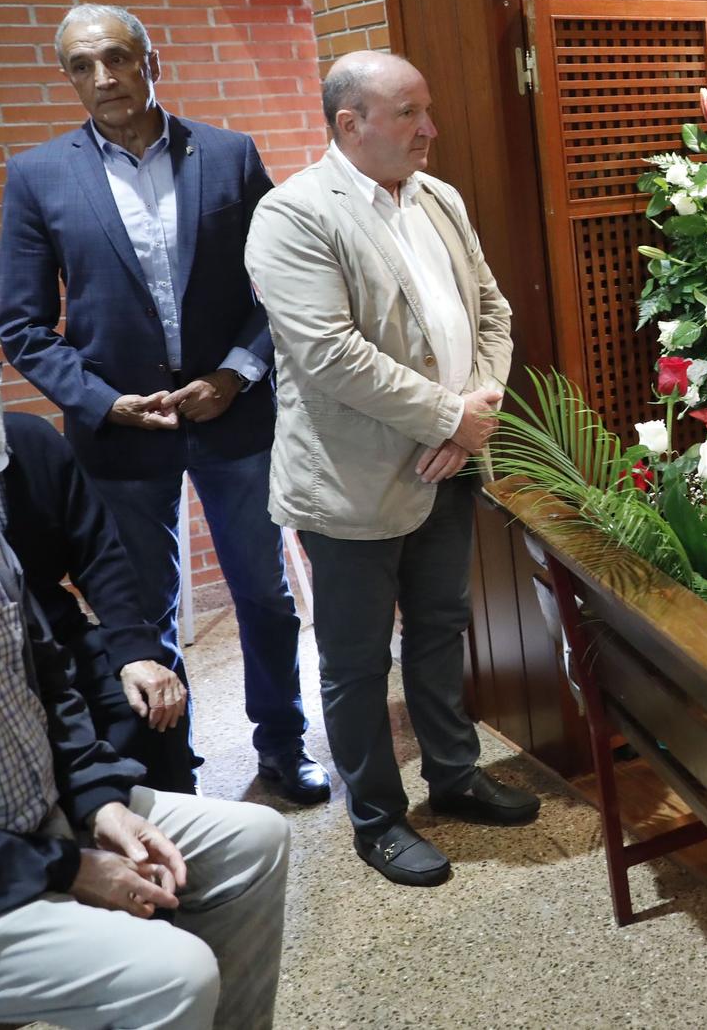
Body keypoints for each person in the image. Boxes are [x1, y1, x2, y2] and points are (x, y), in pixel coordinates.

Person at [0, 324, 290, 1029]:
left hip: (47, 819)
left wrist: (96, 800)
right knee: (172, 976)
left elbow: (47, 676)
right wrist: (66, 868)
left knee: (255, 838)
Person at [0, 3, 325, 803]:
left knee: (265, 592)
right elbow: (24, 325)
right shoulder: (39, 176)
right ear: (69, 77)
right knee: (143, 609)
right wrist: (105, 402)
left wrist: (236, 373)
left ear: (151, 60)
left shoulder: (228, 154)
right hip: (121, 433)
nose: (103, 77)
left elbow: (281, 285)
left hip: (234, 416)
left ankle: (282, 743)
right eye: (82, 65)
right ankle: (175, 770)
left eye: (116, 57)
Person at [245, 50, 533, 886]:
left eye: (426, 108)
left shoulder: (439, 197)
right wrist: (451, 416)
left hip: (451, 460)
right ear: (350, 124)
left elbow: (492, 311)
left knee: (442, 628)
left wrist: (475, 413)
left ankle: (454, 773)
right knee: (358, 658)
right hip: (351, 481)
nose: (431, 128)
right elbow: (329, 354)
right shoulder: (292, 214)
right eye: (410, 113)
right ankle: (377, 817)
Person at [0, 311, 195, 788]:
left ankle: (179, 826)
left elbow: (99, 554)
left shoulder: (31, 442)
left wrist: (135, 652)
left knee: (153, 700)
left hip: (58, 636)